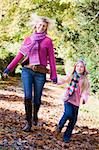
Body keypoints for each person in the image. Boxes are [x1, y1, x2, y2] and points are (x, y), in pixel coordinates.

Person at [3, 15, 57, 132]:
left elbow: (52, 59)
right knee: (28, 96)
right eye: (40, 25)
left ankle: (35, 115)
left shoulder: (48, 41)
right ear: (36, 25)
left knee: (37, 99)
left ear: (46, 28)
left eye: (44, 26)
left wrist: (54, 75)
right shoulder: (29, 39)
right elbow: (20, 55)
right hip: (27, 70)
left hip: (40, 73)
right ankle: (28, 122)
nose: (41, 27)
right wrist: (8, 69)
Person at [56, 60, 90, 142]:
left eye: (81, 66)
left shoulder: (85, 80)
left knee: (73, 121)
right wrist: (56, 80)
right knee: (68, 114)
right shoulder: (71, 76)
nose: (79, 68)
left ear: (84, 69)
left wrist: (85, 98)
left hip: (76, 103)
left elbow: (86, 91)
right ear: (75, 67)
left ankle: (66, 136)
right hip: (68, 99)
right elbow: (63, 80)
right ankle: (60, 125)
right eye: (78, 66)